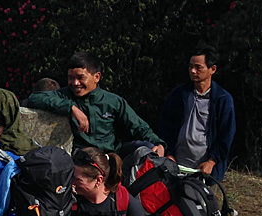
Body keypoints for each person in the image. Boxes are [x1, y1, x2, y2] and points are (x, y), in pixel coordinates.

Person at [27, 51, 165, 155]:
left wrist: (158, 143)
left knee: (147, 148)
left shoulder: (113, 101)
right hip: (80, 158)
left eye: (81, 78)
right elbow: (35, 98)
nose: (75, 83)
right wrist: (72, 108)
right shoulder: (64, 96)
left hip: (110, 155)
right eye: (71, 78)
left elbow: (138, 126)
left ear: (97, 77)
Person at [157, 46, 236, 181]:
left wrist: (212, 161)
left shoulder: (222, 99)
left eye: (198, 67)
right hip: (176, 164)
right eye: (190, 67)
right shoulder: (180, 94)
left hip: (204, 169)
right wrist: (168, 152)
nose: (193, 71)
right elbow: (166, 124)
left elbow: (226, 134)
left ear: (212, 69)